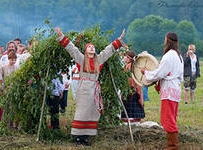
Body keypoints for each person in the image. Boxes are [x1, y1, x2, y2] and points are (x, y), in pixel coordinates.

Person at [55, 27, 125, 146]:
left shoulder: (99, 59)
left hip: (94, 89)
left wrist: (119, 40)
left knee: (91, 112)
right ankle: (77, 136)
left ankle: (86, 136)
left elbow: (108, 50)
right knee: (82, 112)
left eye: (93, 47)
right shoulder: (81, 59)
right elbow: (72, 49)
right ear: (86, 50)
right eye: (89, 47)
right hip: (83, 88)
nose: (92, 48)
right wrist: (62, 36)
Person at [141, 32, 183, 150]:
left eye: (165, 40)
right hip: (174, 89)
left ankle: (172, 146)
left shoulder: (169, 55)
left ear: (168, 41)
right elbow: (174, 74)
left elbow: (160, 73)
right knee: (171, 117)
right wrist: (160, 84)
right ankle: (172, 145)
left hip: (169, 90)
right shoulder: (178, 55)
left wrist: (146, 72)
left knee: (168, 118)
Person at [121, 51, 145, 125]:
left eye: (125, 56)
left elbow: (130, 80)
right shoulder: (130, 66)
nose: (124, 58)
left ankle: (131, 123)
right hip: (133, 91)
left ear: (129, 58)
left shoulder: (129, 66)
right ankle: (134, 123)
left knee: (129, 108)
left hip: (131, 90)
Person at [0, 51, 18, 125]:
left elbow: (17, 78)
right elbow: (2, 78)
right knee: (6, 106)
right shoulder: (4, 68)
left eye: (14, 59)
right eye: (11, 59)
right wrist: (3, 88)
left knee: (13, 106)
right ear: (8, 59)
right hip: (6, 89)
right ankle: (5, 123)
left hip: (13, 89)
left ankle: (13, 123)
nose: (13, 61)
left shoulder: (16, 67)